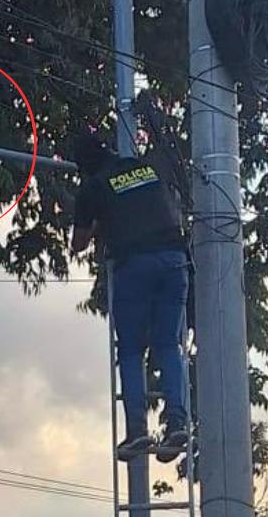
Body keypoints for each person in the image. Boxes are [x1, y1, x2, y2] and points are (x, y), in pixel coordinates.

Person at [71, 131, 190, 463]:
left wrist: (97, 227)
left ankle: (137, 430)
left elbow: (79, 243)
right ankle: (177, 422)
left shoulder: (94, 186)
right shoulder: (145, 169)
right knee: (168, 344)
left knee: (132, 350)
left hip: (134, 265)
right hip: (174, 261)